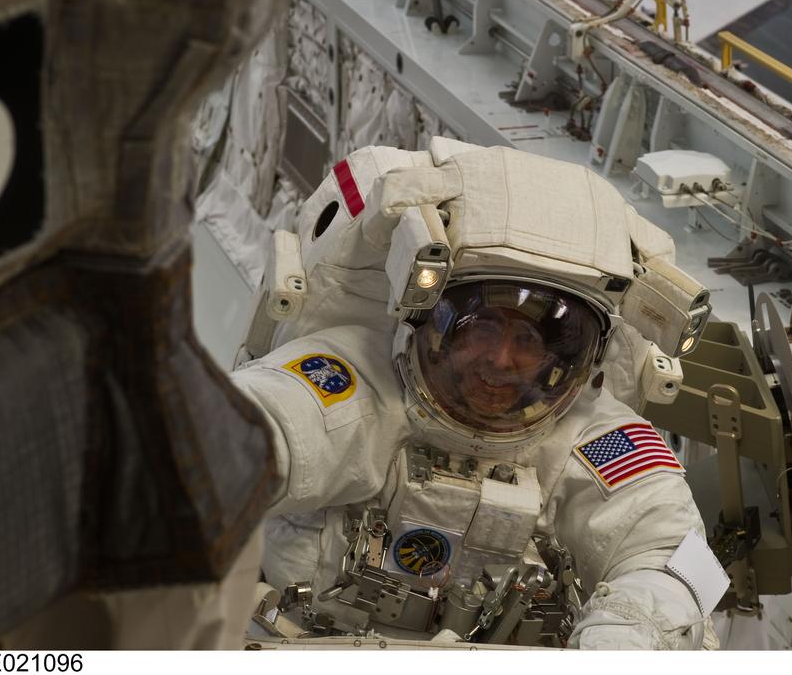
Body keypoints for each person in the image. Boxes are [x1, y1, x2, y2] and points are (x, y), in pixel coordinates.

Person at [232, 139, 725, 648]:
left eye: (529, 341)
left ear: (571, 361)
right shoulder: (353, 382)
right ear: (428, 324)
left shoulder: (595, 436)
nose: (500, 359)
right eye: (480, 328)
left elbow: (676, 557)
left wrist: (626, 634)